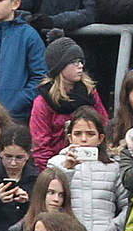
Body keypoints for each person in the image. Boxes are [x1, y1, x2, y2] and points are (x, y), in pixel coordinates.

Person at [47, 108, 126, 231]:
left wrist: (113, 228)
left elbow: (127, 204)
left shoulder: (113, 167)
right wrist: (68, 169)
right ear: (69, 136)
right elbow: (50, 200)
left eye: (90, 134)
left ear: (100, 138)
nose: (83, 139)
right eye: (78, 134)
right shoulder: (56, 164)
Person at [30, 37, 107, 166]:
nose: (81, 66)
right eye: (74, 62)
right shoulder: (43, 102)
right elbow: (41, 147)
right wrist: (55, 174)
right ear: (59, 66)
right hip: (57, 167)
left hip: (93, 164)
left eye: (81, 61)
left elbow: (103, 126)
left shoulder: (90, 93)